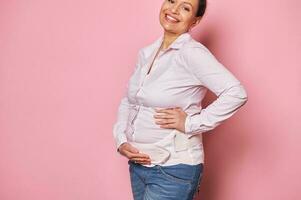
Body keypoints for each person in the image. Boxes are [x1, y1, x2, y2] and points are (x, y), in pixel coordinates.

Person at [112, 0, 248, 199]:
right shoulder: (147, 53)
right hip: (139, 167)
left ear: (195, 21)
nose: (173, 10)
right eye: (171, 0)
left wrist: (191, 123)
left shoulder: (191, 53)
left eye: (185, 8)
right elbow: (129, 100)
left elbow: (236, 93)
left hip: (173, 170)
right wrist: (121, 140)